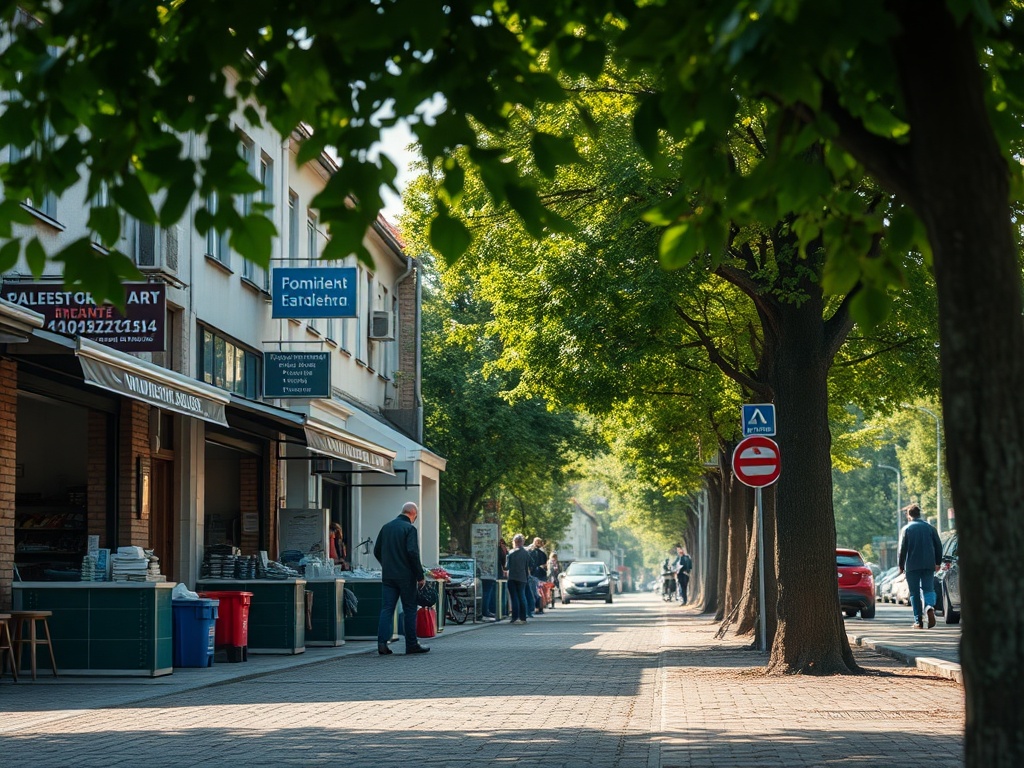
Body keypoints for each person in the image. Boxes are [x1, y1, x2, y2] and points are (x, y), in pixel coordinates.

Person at [373, 501, 430, 655]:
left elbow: (377, 550)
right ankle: (411, 644)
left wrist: (387, 565)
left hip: (388, 576)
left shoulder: (386, 527)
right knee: (410, 609)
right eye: (416, 516)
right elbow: (412, 553)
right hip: (406, 577)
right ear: (413, 513)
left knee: (387, 609)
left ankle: (382, 643)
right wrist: (420, 576)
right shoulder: (409, 529)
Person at [897, 503, 943, 629]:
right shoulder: (930, 528)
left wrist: (901, 566)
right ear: (919, 514)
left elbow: (902, 549)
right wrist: (937, 562)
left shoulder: (906, 529)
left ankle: (918, 621)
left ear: (908, 515)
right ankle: (929, 606)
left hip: (911, 566)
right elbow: (938, 546)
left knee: (914, 593)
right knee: (928, 589)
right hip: (928, 564)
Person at [505, 533, 531, 624]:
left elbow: (507, 566)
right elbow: (527, 566)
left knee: (514, 598)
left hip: (512, 577)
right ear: (522, 542)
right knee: (522, 597)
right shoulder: (526, 553)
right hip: (522, 577)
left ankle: (514, 617)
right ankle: (523, 617)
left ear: (514, 542)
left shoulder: (511, 553)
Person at [527, 537, 548, 615]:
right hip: (536, 574)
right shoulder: (533, 551)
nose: (538, 543)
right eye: (537, 542)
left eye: (539, 542)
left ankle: (539, 607)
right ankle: (538, 607)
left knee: (538, 591)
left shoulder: (534, 552)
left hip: (539, 574)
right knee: (537, 591)